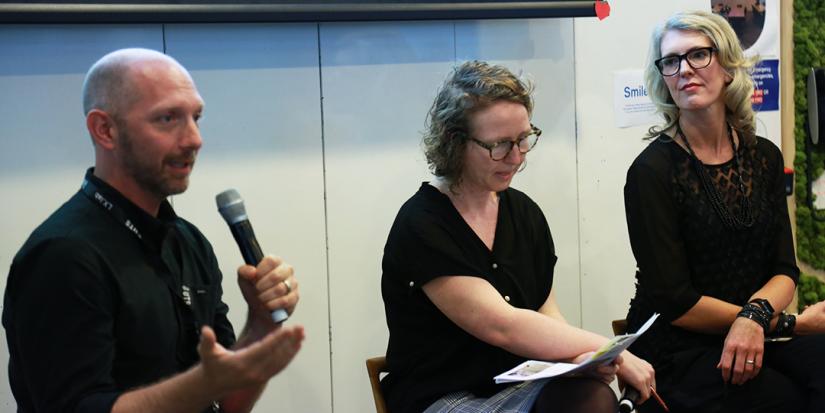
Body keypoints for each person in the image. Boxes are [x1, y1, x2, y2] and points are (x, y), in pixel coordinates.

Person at [2, 48, 304, 413]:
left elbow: (228, 402)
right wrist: (199, 385)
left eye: (196, 117)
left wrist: (259, 323)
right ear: (105, 130)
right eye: (167, 119)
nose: (194, 139)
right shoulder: (64, 255)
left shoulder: (190, 243)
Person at [380, 60, 656, 413]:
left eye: (523, 140)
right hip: (447, 396)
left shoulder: (523, 212)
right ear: (455, 142)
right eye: (499, 145)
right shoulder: (422, 224)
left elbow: (543, 311)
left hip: (522, 382)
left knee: (592, 396)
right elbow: (503, 326)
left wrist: (580, 359)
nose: (516, 158)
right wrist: (611, 347)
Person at [623, 10, 825, 413]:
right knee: (783, 401)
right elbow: (674, 300)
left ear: (729, 66)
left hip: (755, 330)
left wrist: (754, 317)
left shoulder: (764, 156)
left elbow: (784, 270)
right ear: (662, 76)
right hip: (678, 347)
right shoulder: (651, 172)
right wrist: (786, 323)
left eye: (699, 55)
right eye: (671, 61)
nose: (684, 70)